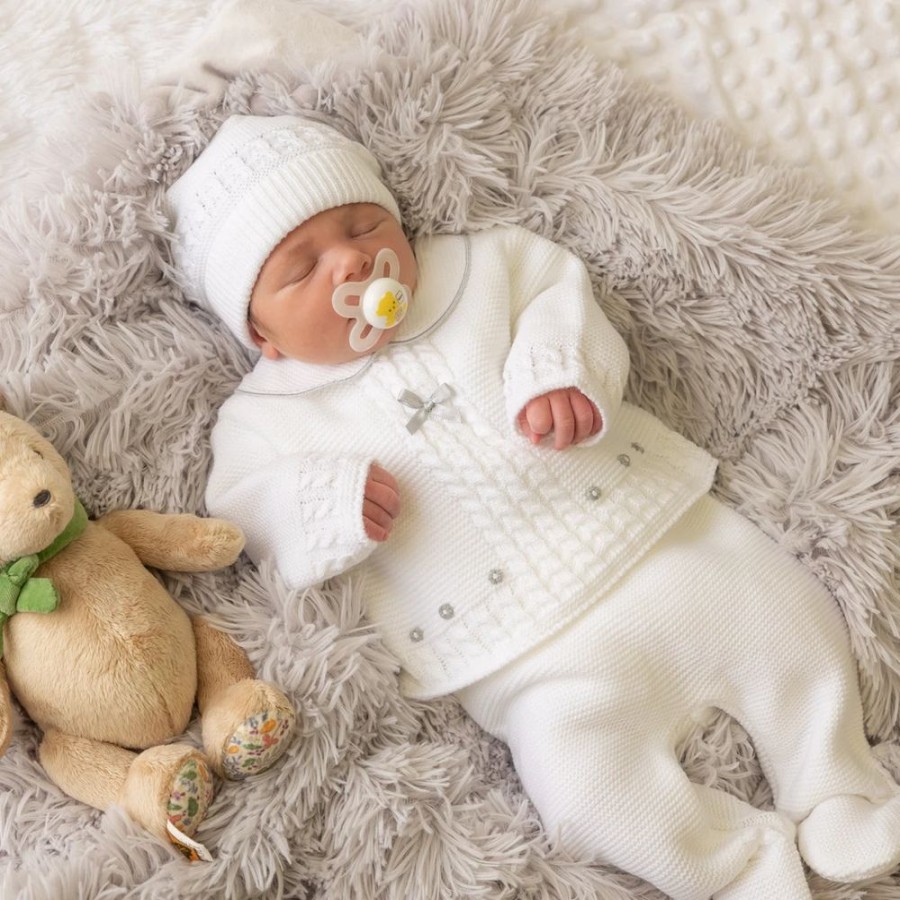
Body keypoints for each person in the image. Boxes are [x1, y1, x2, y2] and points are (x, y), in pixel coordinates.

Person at [166, 113, 900, 900]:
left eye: (363, 224)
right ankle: (732, 869)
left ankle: (834, 783)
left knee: (782, 619)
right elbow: (242, 511)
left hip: (659, 543)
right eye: (303, 268)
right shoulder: (261, 419)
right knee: (581, 791)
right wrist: (325, 503)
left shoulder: (487, 268)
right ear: (261, 333)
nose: (351, 258)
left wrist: (558, 369)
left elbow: (560, 292)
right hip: (531, 660)